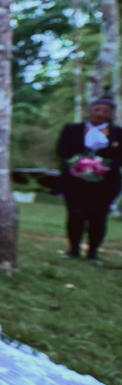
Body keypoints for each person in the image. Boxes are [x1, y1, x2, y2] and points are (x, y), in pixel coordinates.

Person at [57, 95, 122, 264]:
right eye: (97, 109)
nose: (100, 114)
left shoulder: (118, 133)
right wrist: (79, 161)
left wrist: (103, 165)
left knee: (98, 215)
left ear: (112, 113)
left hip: (105, 182)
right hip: (75, 180)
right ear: (89, 110)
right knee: (75, 213)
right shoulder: (72, 129)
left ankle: (92, 253)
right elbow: (62, 149)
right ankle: (73, 250)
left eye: (106, 111)